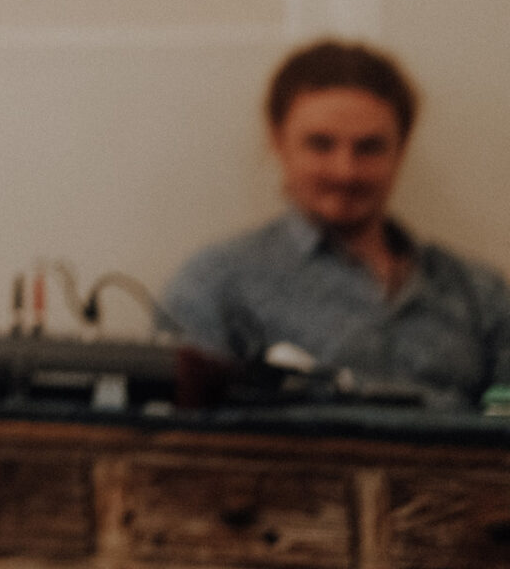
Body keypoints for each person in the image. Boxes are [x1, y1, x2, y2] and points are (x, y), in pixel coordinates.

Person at [161, 38, 510, 406]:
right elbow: (183, 442)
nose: (345, 172)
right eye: (321, 144)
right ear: (278, 141)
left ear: (401, 148)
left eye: (369, 147)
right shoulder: (215, 286)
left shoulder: (479, 292)